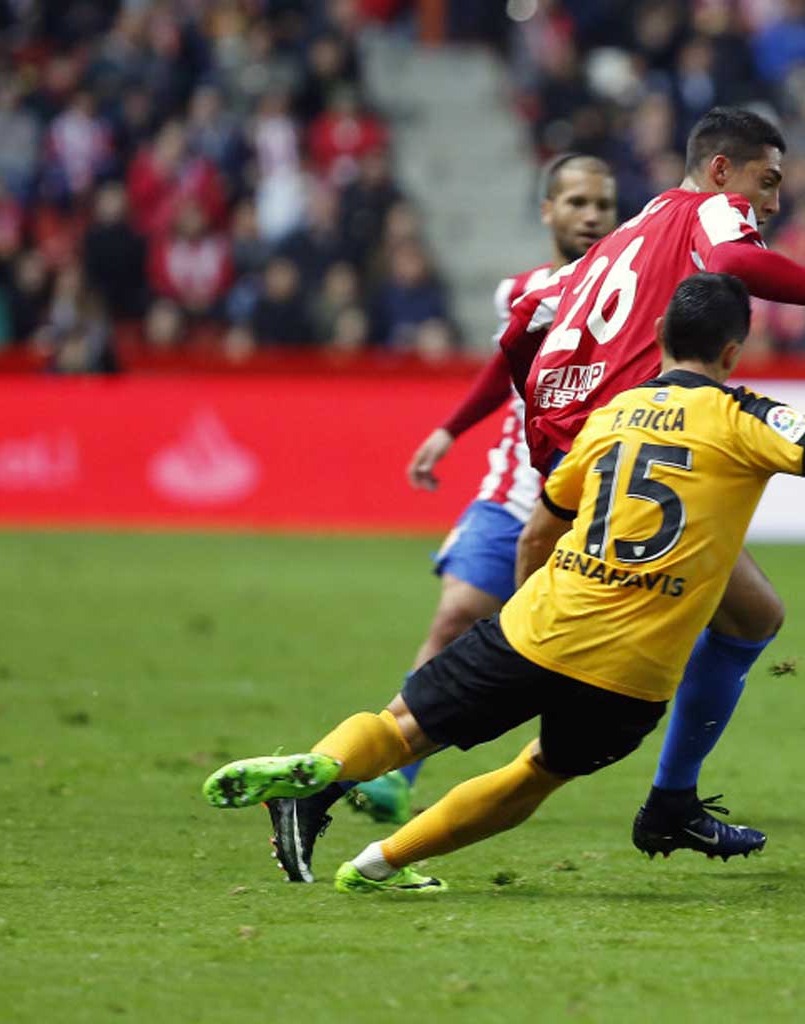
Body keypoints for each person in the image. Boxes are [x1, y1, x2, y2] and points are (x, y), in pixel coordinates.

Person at [203, 272, 805, 894]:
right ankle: (377, 865)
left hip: (541, 625)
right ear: (733, 351)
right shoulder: (746, 416)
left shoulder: (612, 416)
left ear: (656, 336)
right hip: (632, 677)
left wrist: (529, 617)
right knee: (536, 772)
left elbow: (542, 526)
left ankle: (324, 771)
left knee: (405, 725)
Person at [463, 107, 805, 863]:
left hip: (578, 443)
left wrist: (543, 410)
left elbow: (521, 326)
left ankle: (665, 797)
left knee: (748, 614)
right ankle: (642, 782)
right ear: (720, 170)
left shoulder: (629, 230)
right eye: (764, 182)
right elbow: (736, 265)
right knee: (598, 648)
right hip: (633, 446)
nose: (770, 203)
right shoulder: (710, 211)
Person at [263, 155, 616, 882]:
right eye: (577, 201)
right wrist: (450, 430)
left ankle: (672, 787)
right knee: (456, 616)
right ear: (546, 210)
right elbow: (500, 371)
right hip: (513, 494)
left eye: (604, 204)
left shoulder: (628, 291)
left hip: (591, 507)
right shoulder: (521, 292)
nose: (591, 215)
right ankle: (391, 777)